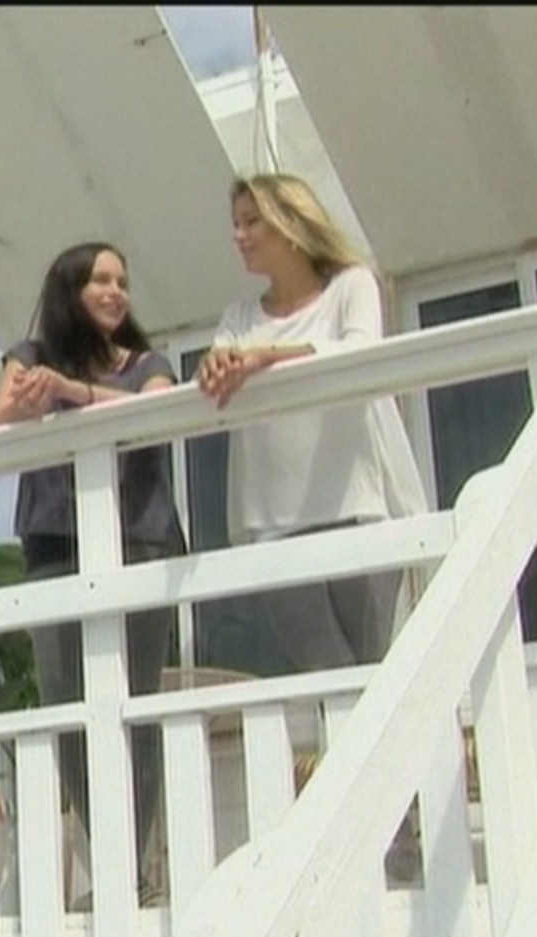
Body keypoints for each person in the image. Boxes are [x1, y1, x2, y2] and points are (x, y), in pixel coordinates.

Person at [0, 240, 187, 906]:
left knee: (136, 703)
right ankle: (118, 866)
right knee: (67, 704)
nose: (115, 292)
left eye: (122, 281)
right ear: (70, 290)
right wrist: (33, 395)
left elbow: (154, 411)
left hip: (140, 539)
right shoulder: (30, 354)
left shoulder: (149, 362)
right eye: (100, 280)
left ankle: (130, 873)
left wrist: (70, 393)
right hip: (54, 543)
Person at [194, 173, 427, 673]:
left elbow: (359, 351)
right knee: (323, 671)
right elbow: (218, 368)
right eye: (236, 224)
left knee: (369, 667)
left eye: (251, 222)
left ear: (290, 224)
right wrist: (216, 365)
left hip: (360, 504)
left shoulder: (351, 285)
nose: (239, 235)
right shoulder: (238, 317)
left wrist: (268, 357)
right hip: (274, 520)